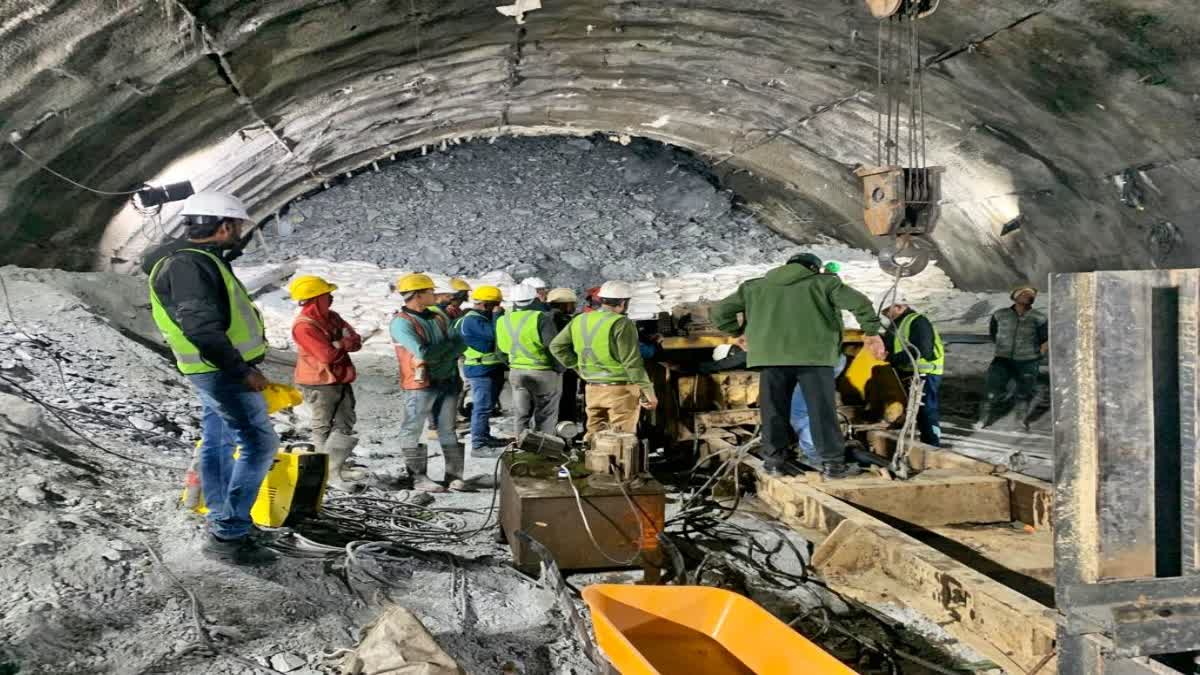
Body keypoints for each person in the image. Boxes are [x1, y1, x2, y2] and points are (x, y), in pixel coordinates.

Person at [143, 191, 278, 565]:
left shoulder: (195, 259)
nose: (239, 233)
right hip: (221, 373)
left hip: (212, 371)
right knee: (259, 444)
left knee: (217, 443)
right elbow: (202, 328)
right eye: (236, 226)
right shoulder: (189, 267)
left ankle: (222, 518)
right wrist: (242, 370)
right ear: (223, 226)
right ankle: (230, 533)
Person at [712, 252, 886, 479]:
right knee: (821, 411)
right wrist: (871, 331)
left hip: (771, 359)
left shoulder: (753, 287)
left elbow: (719, 312)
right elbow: (859, 302)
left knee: (773, 410)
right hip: (815, 359)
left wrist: (736, 332)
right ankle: (833, 464)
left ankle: (775, 461)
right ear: (814, 268)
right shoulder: (825, 283)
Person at [550, 280, 657, 442]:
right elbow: (631, 362)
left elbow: (557, 346)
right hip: (621, 390)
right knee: (621, 441)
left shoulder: (580, 320)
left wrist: (579, 368)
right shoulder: (621, 323)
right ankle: (618, 468)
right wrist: (648, 392)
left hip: (593, 388)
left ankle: (594, 467)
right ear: (623, 302)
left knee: (595, 437)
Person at [390, 273, 468, 492]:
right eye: (430, 291)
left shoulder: (437, 317)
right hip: (420, 385)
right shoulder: (401, 323)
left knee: (448, 429)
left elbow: (461, 343)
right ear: (417, 295)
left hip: (448, 380)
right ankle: (417, 477)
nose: (435, 294)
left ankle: (454, 476)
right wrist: (446, 351)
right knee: (412, 429)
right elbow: (423, 353)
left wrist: (441, 352)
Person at [288, 275, 365, 483]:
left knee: (345, 421)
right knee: (322, 425)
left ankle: (335, 467)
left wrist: (339, 343)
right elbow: (327, 355)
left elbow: (355, 341)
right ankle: (322, 472)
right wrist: (341, 342)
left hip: (339, 378)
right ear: (316, 298)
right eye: (326, 294)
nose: (330, 297)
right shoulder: (304, 326)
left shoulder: (332, 317)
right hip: (318, 381)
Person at [977, 285, 1048, 430]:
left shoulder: (1039, 318)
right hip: (1002, 360)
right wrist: (1003, 348)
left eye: (1030, 295)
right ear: (1015, 297)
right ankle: (982, 420)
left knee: (1024, 393)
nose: (1028, 297)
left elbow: (1044, 339)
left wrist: (1038, 355)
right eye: (1024, 294)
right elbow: (994, 334)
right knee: (991, 391)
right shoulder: (999, 315)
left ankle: (1019, 421)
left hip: (1028, 361)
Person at [496, 284, 563, 436]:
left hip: (517, 372)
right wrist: (559, 368)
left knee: (521, 414)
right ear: (534, 299)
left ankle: (521, 448)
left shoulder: (502, 321)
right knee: (546, 415)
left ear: (513, 301)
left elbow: (499, 352)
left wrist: (514, 365)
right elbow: (552, 347)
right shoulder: (541, 318)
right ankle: (542, 450)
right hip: (543, 372)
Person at [457, 285, 509, 456]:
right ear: (487, 304)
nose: (499, 306)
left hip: (492, 368)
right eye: (496, 304)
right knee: (482, 407)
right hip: (480, 370)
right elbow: (496, 335)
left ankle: (485, 437)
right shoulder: (472, 320)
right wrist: (497, 315)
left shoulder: (483, 317)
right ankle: (478, 445)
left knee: (487, 406)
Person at [883, 301, 944, 446]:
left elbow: (923, 350)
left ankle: (932, 444)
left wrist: (892, 359)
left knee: (926, 411)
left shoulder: (918, 321)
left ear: (898, 307)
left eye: (886, 311)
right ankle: (917, 441)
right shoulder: (896, 324)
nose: (885, 315)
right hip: (908, 372)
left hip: (926, 373)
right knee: (912, 410)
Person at [790, 354, 848, 463]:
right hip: (826, 355)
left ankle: (817, 455)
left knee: (800, 411)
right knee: (809, 408)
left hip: (815, 356)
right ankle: (822, 455)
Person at [547, 288, 582, 423]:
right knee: (567, 401)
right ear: (564, 304)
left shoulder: (544, 317)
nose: (573, 307)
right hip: (565, 367)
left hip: (550, 368)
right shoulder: (563, 320)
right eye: (572, 304)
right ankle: (566, 434)